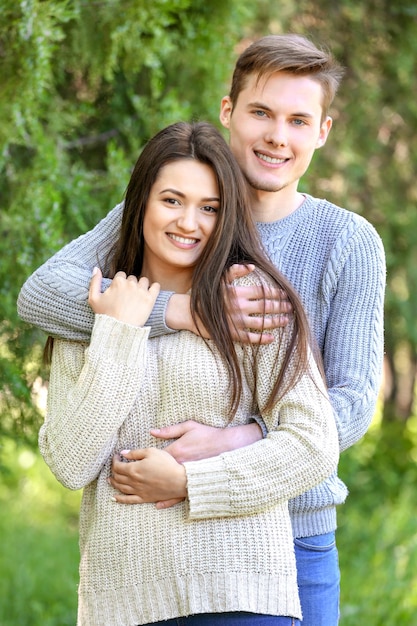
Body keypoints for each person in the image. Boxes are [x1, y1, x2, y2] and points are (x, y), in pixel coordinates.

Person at [17, 34, 386, 625]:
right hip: (151, 543)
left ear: (322, 132)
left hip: (293, 528)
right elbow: (42, 294)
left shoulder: (346, 241)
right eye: (261, 112)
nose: (276, 136)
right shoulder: (175, 203)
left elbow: (351, 401)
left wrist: (239, 439)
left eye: (298, 120)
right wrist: (180, 311)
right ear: (228, 112)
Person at [38, 120, 338, 626]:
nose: (189, 223)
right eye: (172, 201)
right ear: (140, 206)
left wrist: (190, 482)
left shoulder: (252, 301)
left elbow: (314, 443)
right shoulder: (91, 309)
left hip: (240, 594)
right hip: (123, 602)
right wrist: (119, 329)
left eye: (210, 207)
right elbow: (70, 463)